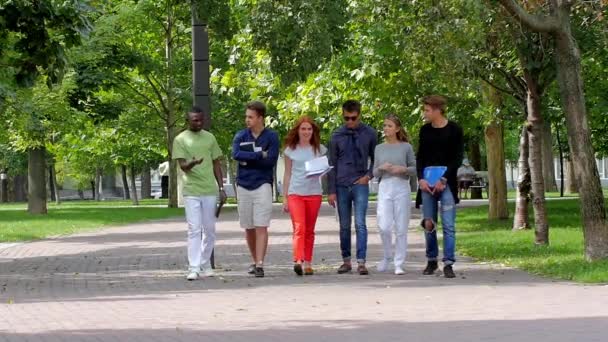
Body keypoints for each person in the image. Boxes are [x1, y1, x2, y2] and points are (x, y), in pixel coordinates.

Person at [172, 107, 226, 281]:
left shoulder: (210, 138)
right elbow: (182, 166)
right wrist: (192, 163)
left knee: (209, 230)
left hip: (209, 190)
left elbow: (217, 163)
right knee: (194, 229)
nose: (198, 123)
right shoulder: (180, 139)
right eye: (195, 120)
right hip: (191, 190)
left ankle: (205, 263)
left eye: (200, 120)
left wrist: (221, 187)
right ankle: (193, 267)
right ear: (187, 120)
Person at [416, 95, 464, 279]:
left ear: (437, 110)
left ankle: (449, 262)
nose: (425, 113)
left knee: (449, 225)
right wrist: (421, 179)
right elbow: (420, 157)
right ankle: (431, 260)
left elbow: (457, 158)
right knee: (429, 223)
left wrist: (443, 179)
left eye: (427, 110)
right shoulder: (425, 130)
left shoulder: (454, 130)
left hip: (446, 183)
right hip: (427, 183)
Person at [327, 100, 377, 275]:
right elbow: (331, 164)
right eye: (346, 118)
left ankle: (362, 262)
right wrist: (331, 191)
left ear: (359, 115)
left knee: (360, 223)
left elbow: (375, 159)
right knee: (344, 225)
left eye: (353, 118)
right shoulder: (336, 135)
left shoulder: (370, 133)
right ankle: (346, 261)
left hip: (360, 183)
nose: (349, 122)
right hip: (341, 185)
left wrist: (368, 176)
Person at [231, 101, 279, 278]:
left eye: (250, 117)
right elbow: (236, 155)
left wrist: (248, 159)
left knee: (261, 225)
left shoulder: (271, 136)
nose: (247, 120)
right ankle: (254, 259)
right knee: (248, 227)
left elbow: (271, 160)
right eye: (246, 116)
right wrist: (259, 154)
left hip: (263, 184)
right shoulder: (240, 136)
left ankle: (260, 263)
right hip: (243, 185)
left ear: (260, 118)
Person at [282, 116, 327, 276]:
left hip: (314, 193)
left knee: (309, 229)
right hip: (296, 193)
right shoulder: (290, 150)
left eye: (309, 129)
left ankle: (308, 262)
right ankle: (298, 261)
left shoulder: (319, 149)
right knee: (299, 227)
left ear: (313, 131)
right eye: (303, 129)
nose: (306, 132)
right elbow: (287, 174)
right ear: (298, 130)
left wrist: (322, 171)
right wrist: (285, 197)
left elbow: (323, 170)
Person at [373, 114, 416, 275]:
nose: (386, 128)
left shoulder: (406, 147)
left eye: (389, 126)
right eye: (384, 125)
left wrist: (403, 169)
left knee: (401, 227)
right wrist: (382, 167)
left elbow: (414, 168)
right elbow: (374, 172)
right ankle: (387, 256)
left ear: (397, 129)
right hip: (385, 186)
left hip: (401, 186)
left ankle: (399, 263)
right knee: (384, 226)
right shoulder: (379, 148)